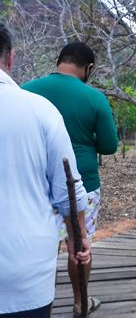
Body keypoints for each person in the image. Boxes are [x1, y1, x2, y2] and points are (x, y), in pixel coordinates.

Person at [0, 23, 91, 317]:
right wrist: (78, 243)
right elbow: (69, 194)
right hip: (24, 277)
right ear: (10, 58)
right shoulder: (40, 110)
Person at [23, 42, 118, 316]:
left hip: (37, 183)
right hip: (83, 184)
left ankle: (40, 305)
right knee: (78, 245)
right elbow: (110, 146)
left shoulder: (27, 91)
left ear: (59, 61)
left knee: (42, 245)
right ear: (88, 68)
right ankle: (79, 303)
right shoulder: (94, 98)